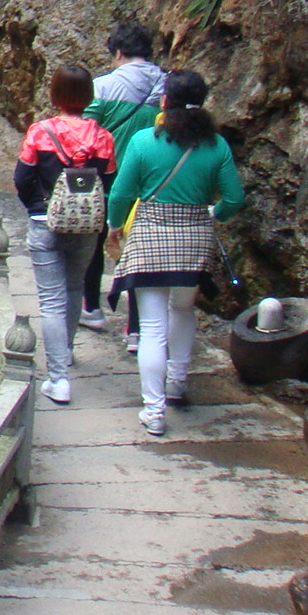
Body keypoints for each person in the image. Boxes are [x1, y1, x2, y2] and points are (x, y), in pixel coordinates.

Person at [106, 69, 244, 435]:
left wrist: (115, 224)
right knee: (182, 310)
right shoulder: (217, 145)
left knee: (151, 328)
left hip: (150, 235)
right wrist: (214, 213)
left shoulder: (143, 140)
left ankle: (154, 411)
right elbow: (234, 198)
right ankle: (178, 383)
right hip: (196, 239)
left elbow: (121, 192)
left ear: (164, 101)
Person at [15, 66, 115, 407]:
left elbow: (22, 177)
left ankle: (58, 379)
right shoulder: (103, 137)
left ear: (54, 94)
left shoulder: (40, 133)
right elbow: (109, 184)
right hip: (87, 226)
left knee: (51, 300)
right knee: (74, 289)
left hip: (46, 222)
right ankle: (66, 353)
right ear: (88, 97)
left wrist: (36, 207)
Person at [81, 24, 165, 333]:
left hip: (107, 178)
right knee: (139, 253)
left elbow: (86, 133)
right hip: (151, 183)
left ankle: (91, 308)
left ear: (118, 53)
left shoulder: (102, 86)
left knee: (96, 243)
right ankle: (135, 329)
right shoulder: (167, 86)